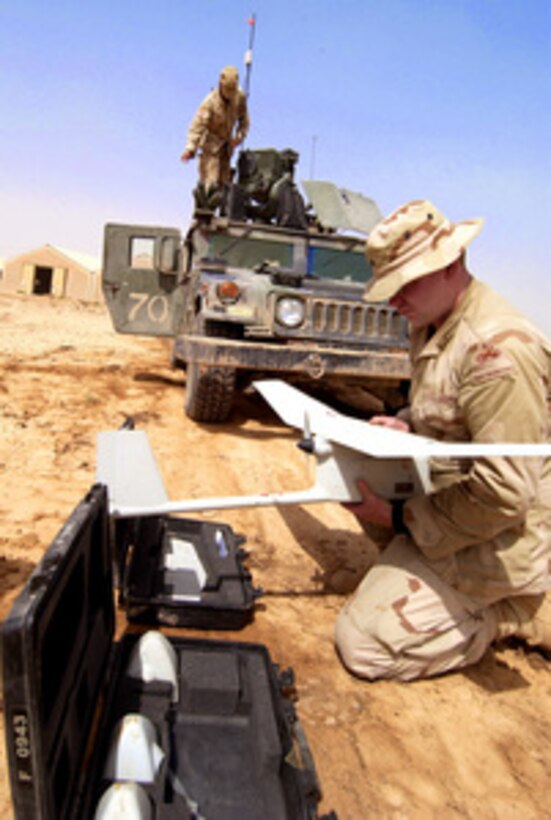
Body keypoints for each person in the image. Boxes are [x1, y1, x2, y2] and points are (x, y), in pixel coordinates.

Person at [335, 198, 551, 681]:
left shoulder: (497, 353)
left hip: (504, 530)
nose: (395, 301)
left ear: (452, 263)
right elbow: (455, 411)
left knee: (364, 646)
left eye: (405, 284)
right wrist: (409, 423)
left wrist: (397, 517)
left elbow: (504, 493)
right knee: (358, 473)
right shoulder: (434, 320)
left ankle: (510, 613)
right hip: (455, 501)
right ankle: (423, 576)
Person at [180, 65, 250, 196]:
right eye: (227, 90)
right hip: (210, 148)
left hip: (226, 148)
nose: (229, 94)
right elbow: (197, 126)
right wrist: (190, 148)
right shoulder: (210, 102)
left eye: (232, 90)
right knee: (210, 187)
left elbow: (244, 120)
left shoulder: (239, 97)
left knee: (224, 188)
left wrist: (239, 137)